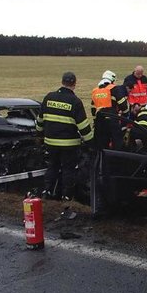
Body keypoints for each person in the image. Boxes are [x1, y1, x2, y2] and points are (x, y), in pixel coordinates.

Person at [36, 72, 93, 201]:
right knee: (68, 170)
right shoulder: (75, 101)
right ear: (74, 84)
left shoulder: (48, 97)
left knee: (52, 167)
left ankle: (47, 191)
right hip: (69, 145)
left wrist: (39, 136)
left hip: (50, 143)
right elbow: (83, 126)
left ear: (62, 82)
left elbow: (40, 121)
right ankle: (67, 196)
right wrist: (91, 143)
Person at [91, 70, 129, 150]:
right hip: (112, 119)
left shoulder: (95, 91)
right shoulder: (114, 89)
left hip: (99, 120)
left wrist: (95, 120)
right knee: (117, 142)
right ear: (112, 80)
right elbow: (123, 104)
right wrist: (125, 115)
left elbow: (93, 109)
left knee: (100, 144)